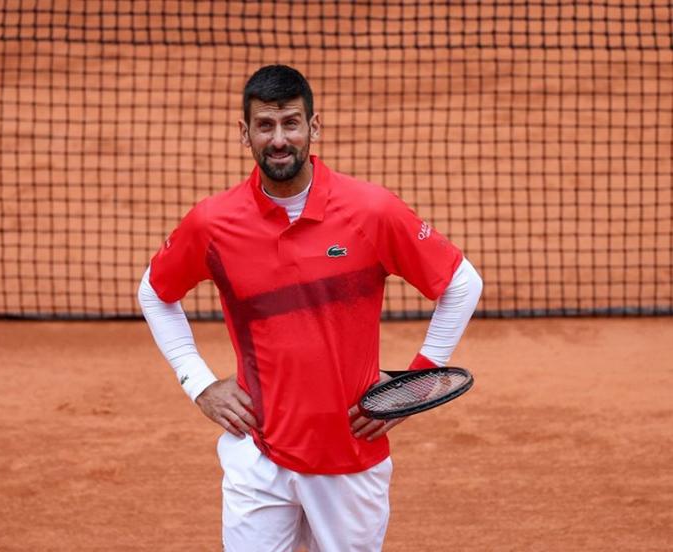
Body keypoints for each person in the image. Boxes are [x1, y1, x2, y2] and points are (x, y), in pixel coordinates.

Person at [138, 65, 482, 551]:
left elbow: (462, 283)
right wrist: (197, 382)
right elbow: (154, 292)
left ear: (313, 128)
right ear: (245, 133)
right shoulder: (213, 223)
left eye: (291, 123)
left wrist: (412, 386)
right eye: (265, 125)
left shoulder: (372, 211)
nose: (279, 139)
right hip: (256, 454)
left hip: (349, 458)